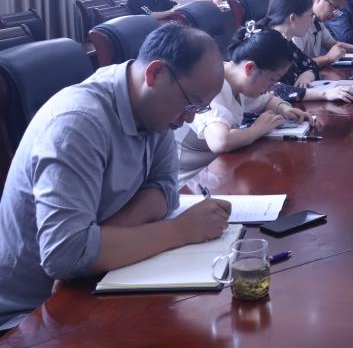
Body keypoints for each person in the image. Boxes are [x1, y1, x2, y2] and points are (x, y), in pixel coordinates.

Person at [0, 24, 231, 330]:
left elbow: (164, 189)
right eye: (191, 102)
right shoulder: (77, 124)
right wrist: (181, 230)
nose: (189, 117)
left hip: (93, 280)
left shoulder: (155, 111)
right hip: (32, 315)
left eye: (200, 108)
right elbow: (63, 255)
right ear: (155, 74)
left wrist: (97, 241)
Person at [176, 25, 312, 183]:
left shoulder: (239, 80)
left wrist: (284, 108)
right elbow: (220, 141)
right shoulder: (214, 84)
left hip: (218, 169)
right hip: (191, 180)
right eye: (272, 79)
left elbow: (268, 100)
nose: (272, 87)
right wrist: (258, 129)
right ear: (250, 68)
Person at [261, 0, 353, 103]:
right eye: (309, 16)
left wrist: (307, 74)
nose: (311, 20)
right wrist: (325, 94)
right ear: (293, 18)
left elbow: (310, 64)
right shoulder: (265, 45)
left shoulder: (284, 41)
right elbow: (273, 90)